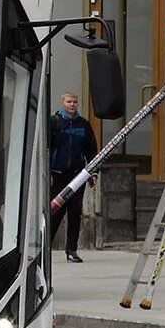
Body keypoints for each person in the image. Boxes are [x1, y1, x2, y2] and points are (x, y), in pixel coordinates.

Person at [49, 92, 98, 263]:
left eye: (75, 102)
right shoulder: (54, 122)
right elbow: (46, 147)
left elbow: (91, 150)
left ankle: (71, 250)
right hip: (58, 174)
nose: (72, 104)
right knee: (54, 212)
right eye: (69, 101)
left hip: (77, 175)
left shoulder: (83, 124)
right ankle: (45, 247)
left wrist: (93, 172)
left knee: (75, 212)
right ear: (62, 102)